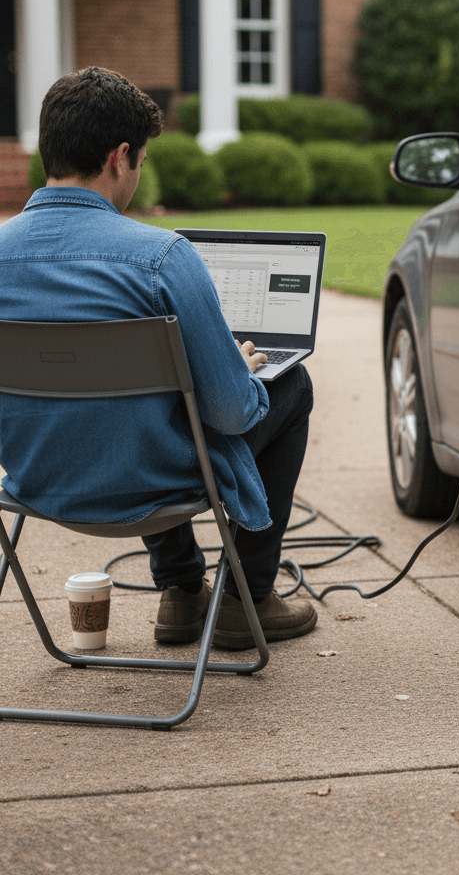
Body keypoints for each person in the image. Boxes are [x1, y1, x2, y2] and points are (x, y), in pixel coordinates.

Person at [0, 67, 317, 649]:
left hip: (36, 482)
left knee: (147, 406)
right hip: (151, 484)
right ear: (120, 156)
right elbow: (231, 414)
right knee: (292, 388)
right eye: (141, 161)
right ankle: (246, 601)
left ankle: (182, 590)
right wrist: (241, 372)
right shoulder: (162, 257)